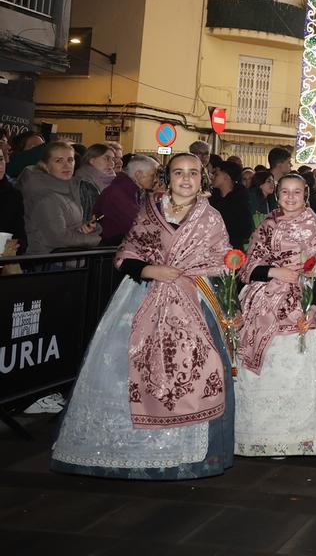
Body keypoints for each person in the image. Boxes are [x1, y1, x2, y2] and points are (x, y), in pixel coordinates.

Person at [50, 153, 235, 479]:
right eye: (179, 173)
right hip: (143, 296)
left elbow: (223, 259)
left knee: (199, 370)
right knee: (129, 369)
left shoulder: (211, 218)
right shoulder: (150, 212)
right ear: (168, 177)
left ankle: (186, 456)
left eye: (193, 173)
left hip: (194, 298)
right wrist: (151, 269)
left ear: (202, 178)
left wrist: (197, 274)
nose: (186, 179)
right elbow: (128, 254)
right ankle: (129, 452)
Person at [234, 173, 316, 457]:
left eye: (297, 192)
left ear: (306, 195)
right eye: (285, 192)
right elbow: (248, 268)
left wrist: (312, 307)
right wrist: (275, 272)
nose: (290, 197)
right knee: (269, 371)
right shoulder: (267, 225)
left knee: (303, 369)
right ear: (277, 195)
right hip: (264, 299)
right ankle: (266, 436)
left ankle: (304, 434)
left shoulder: (315, 226)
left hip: (303, 298)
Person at [17, 141, 101, 255]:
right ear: (45, 166)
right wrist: (96, 240)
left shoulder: (69, 187)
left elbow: (69, 226)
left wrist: (87, 228)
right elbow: (58, 238)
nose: (66, 165)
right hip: (49, 264)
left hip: (68, 260)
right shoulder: (44, 195)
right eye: (59, 161)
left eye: (70, 160)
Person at [94, 154, 157, 246]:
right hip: (111, 252)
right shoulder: (117, 193)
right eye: (152, 175)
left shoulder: (130, 190)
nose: (155, 179)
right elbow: (138, 224)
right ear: (138, 175)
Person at [208, 159, 253, 251]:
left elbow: (246, 230)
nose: (213, 177)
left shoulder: (240, 199)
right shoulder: (211, 199)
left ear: (226, 176)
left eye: (216, 174)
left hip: (233, 251)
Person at [76, 143, 116, 222]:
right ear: (92, 160)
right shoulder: (83, 183)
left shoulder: (113, 180)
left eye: (113, 159)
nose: (112, 163)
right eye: (107, 158)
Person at [0, 149, 24, 252]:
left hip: (6, 259)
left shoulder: (14, 194)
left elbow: (19, 232)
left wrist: (16, 246)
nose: (0, 165)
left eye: (1, 159)